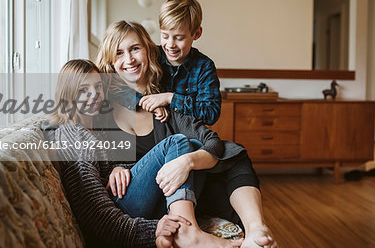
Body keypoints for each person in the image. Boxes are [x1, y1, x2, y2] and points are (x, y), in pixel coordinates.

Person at [96, 21, 278, 248]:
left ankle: (255, 232)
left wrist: (187, 162)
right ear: (110, 62)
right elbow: (90, 154)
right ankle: (189, 233)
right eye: (119, 53)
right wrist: (113, 166)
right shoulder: (102, 105)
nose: (129, 59)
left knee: (232, 153)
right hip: (128, 202)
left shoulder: (166, 108)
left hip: (166, 204)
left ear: (149, 52)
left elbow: (213, 142)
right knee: (181, 141)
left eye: (135, 49)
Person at [42, 59, 241, 248]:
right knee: (177, 142)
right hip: (112, 224)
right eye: (83, 90)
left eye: (98, 87)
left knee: (193, 145)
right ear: (67, 94)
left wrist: (119, 167)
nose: (94, 95)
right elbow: (94, 213)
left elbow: (103, 176)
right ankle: (189, 234)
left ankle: (177, 233)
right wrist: (153, 229)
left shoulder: (93, 128)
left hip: (122, 204)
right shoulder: (72, 135)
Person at [138, 0, 221, 126]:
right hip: (153, 133)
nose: (170, 44)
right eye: (165, 36)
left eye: (179, 38)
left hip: (190, 135)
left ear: (196, 34)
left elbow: (211, 113)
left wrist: (169, 98)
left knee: (230, 147)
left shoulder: (204, 66)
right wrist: (150, 104)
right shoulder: (150, 56)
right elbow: (121, 87)